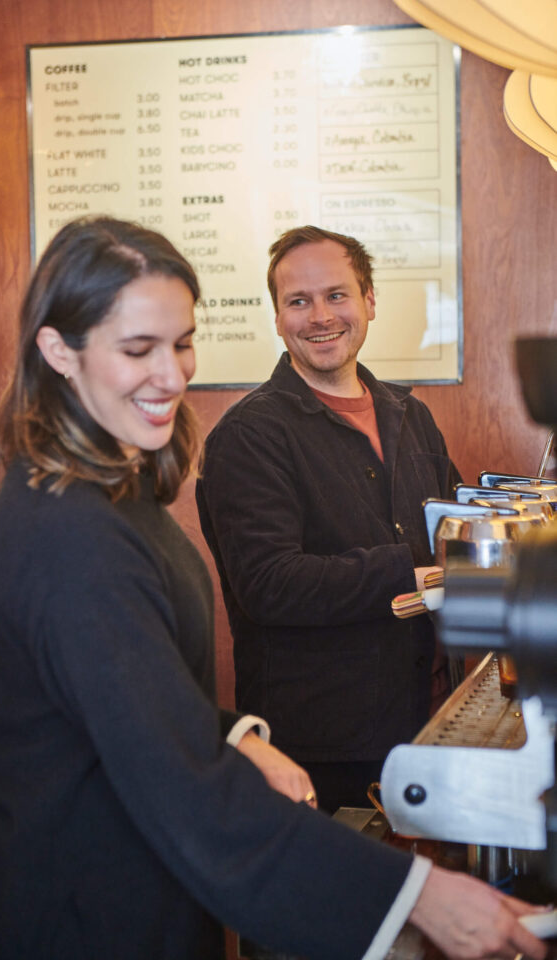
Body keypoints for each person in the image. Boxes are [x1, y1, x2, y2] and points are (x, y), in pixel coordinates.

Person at [0, 216, 546, 960]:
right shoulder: (69, 534)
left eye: (182, 343)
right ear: (58, 351)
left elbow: (126, 683)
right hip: (68, 912)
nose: (171, 374)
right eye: (137, 350)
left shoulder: (107, 486)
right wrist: (416, 894)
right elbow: (180, 785)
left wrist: (233, 736)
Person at [196, 226, 461, 817]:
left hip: (430, 719)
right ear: (277, 316)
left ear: (369, 301)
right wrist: (413, 569)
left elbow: (455, 529)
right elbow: (270, 585)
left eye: (337, 296)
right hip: (325, 751)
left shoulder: (410, 415)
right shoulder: (248, 436)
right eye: (298, 301)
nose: (320, 316)